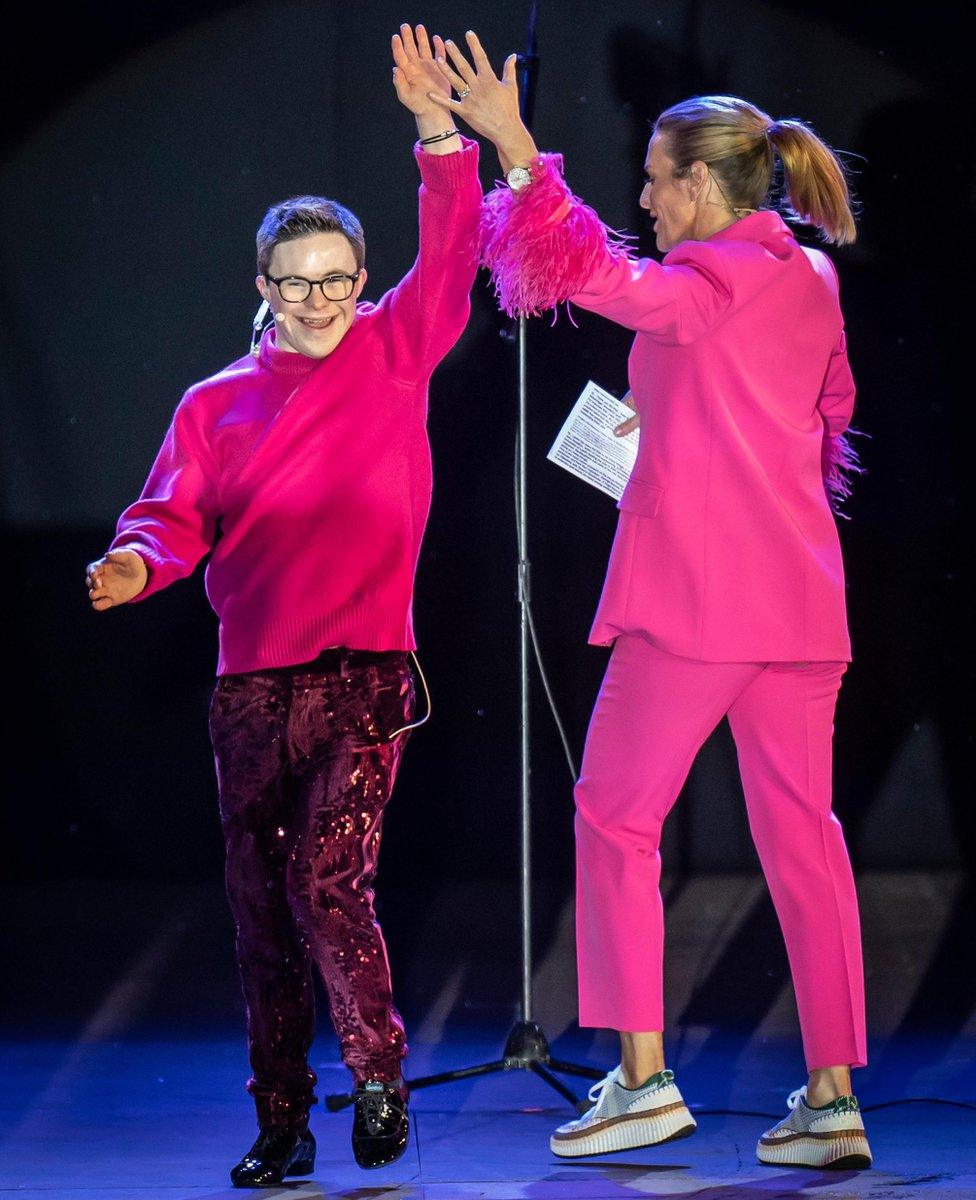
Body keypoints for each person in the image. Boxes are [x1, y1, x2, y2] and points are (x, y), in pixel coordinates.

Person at [427, 32, 871, 1170]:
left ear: (706, 185)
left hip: (699, 606)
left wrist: (524, 157)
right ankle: (831, 1101)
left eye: (658, 179)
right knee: (802, 843)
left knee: (614, 820)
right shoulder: (806, 275)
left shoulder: (706, 282)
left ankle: (638, 1079)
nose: (644, 196)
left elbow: (603, 276)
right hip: (799, 604)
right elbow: (824, 412)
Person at [84, 25, 482, 1189]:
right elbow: (171, 515)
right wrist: (131, 563)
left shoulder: (398, 348)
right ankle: (281, 1122)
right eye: (295, 282)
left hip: (366, 671)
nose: (318, 300)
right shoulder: (217, 401)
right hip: (253, 685)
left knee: (327, 880)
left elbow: (453, 250)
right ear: (260, 285)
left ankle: (377, 1076)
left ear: (363, 281)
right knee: (262, 907)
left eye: (337, 279)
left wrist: (435, 133)